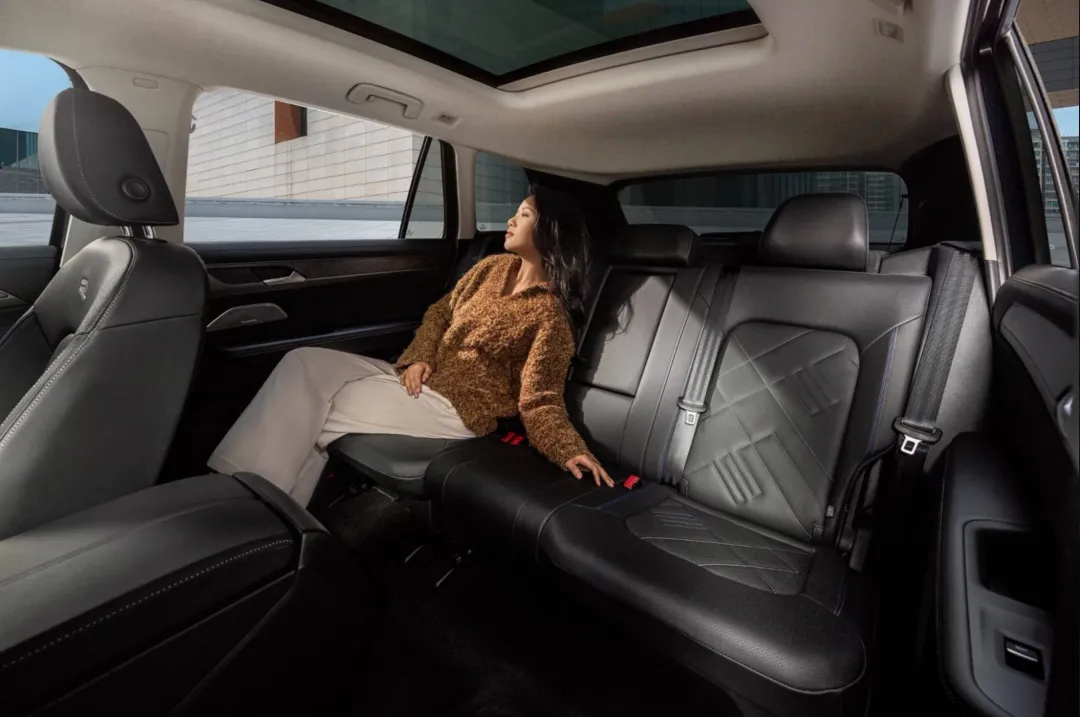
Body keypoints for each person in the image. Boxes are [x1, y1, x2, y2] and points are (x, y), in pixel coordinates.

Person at [208, 184, 613, 506]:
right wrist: (419, 358)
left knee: (316, 411)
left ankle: (255, 510)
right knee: (302, 363)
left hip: (456, 409)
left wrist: (567, 450)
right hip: (421, 378)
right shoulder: (491, 267)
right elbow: (439, 314)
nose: (510, 219)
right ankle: (248, 496)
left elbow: (540, 399)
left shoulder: (550, 315)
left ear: (549, 231)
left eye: (523, 215)